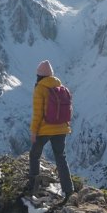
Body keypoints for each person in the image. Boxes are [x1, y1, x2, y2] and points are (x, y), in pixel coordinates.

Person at [27, 60, 74, 197]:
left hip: (45, 129)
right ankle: (68, 189)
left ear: (39, 76)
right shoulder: (60, 87)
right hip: (62, 128)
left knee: (34, 155)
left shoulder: (40, 88)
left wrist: (34, 131)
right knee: (60, 157)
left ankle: (33, 184)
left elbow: (38, 114)